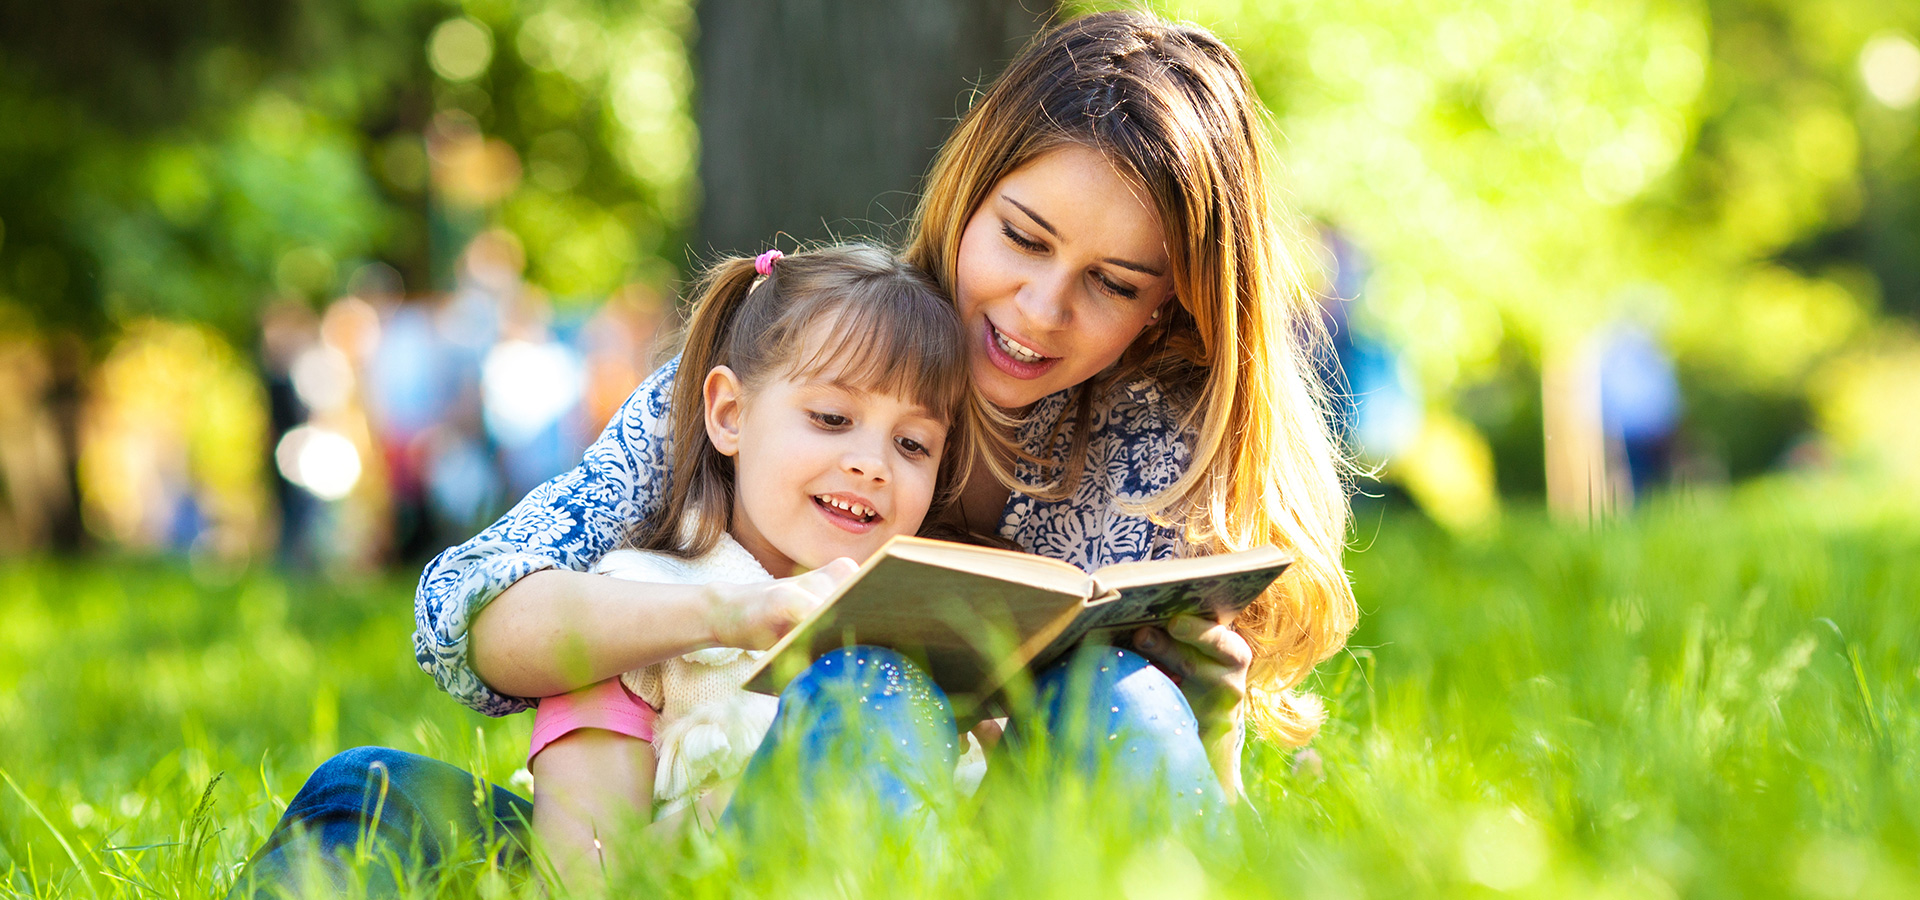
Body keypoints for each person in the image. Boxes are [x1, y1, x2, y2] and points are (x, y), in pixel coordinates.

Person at [234, 8, 1358, 894]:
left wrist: (1209, 734)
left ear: (1169, 311)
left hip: (968, 838)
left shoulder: (1151, 452)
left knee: (1055, 694)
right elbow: (468, 614)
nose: (1040, 306)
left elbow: (1120, 780)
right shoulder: (806, 350)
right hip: (690, 827)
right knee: (368, 791)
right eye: (1022, 237)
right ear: (971, 188)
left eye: (1113, 286)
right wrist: (730, 617)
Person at [526, 244, 974, 890]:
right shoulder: (635, 612)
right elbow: (577, 881)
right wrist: (782, 781)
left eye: (913, 444)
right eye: (831, 418)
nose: (873, 464)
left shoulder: (930, 631)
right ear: (730, 414)